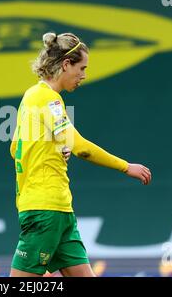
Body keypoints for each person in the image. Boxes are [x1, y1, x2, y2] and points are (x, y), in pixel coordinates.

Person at [9, 32, 152, 277]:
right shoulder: (49, 99)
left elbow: (15, 148)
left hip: (57, 210)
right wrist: (125, 166)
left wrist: (52, 150)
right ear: (66, 64)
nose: (83, 76)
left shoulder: (31, 96)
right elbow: (81, 148)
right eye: (81, 68)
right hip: (47, 211)